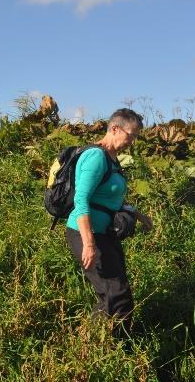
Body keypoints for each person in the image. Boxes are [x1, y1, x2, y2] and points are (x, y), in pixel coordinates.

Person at [65, 108, 153, 331]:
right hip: (87, 233)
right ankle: (115, 348)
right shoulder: (96, 156)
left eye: (136, 137)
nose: (133, 141)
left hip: (104, 233)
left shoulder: (112, 159)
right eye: (131, 135)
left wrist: (138, 215)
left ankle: (91, 341)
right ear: (115, 128)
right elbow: (81, 200)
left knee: (113, 294)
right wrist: (89, 244)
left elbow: (109, 198)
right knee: (117, 296)